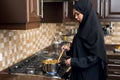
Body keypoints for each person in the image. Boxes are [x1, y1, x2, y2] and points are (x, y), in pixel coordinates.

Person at [61, 0, 108, 80]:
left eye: (77, 14)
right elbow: (81, 49)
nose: (75, 17)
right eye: (74, 14)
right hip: (79, 71)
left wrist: (73, 61)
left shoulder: (95, 31)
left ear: (86, 12)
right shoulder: (83, 28)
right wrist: (69, 50)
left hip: (89, 74)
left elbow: (95, 57)